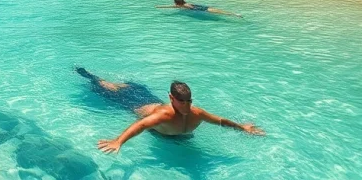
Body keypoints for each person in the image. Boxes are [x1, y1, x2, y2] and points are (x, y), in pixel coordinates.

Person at [75, 70, 263, 154]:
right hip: (133, 103)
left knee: (126, 86)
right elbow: (140, 125)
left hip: (149, 102)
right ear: (171, 98)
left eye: (189, 101)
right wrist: (118, 141)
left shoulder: (197, 113)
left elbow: (221, 121)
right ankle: (89, 75)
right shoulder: (163, 115)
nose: (186, 106)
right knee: (106, 87)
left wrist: (242, 128)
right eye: (181, 102)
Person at [156, 0, 243, 18]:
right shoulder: (183, 4)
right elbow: (172, 6)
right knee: (221, 12)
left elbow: (192, 8)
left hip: (203, 9)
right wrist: (160, 6)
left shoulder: (184, 5)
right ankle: (235, 14)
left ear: (177, 2)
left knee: (221, 13)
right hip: (203, 7)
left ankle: (235, 15)